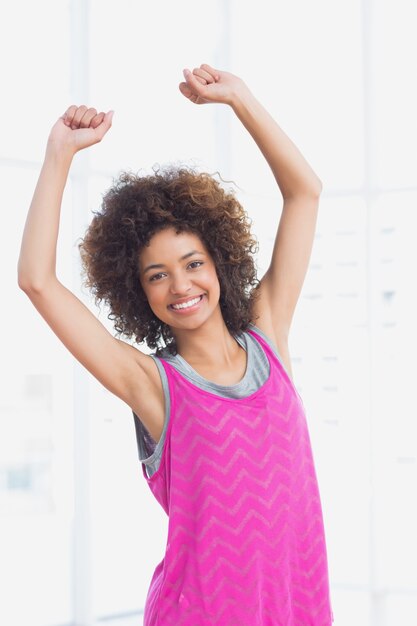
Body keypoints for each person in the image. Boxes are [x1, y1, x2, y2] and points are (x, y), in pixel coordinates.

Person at [18, 64, 334, 625]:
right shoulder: (152, 384)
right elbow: (37, 281)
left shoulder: (268, 332)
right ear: (138, 291)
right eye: (157, 275)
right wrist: (58, 156)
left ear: (220, 263)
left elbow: (305, 193)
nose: (181, 285)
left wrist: (241, 99)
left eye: (192, 264)